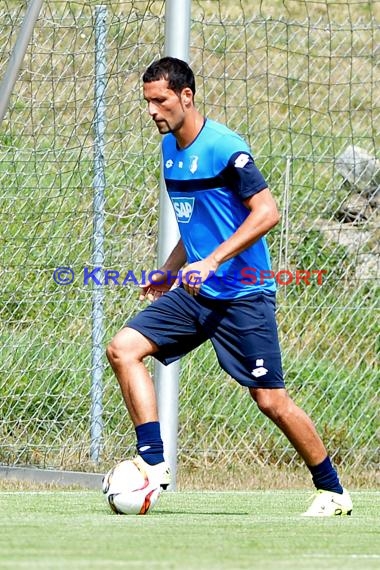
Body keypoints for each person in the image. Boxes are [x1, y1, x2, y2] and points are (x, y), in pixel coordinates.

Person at [106, 56, 352, 516]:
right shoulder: (169, 151)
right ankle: (153, 461)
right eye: (147, 102)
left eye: (160, 100)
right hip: (197, 293)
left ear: (186, 96)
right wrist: (171, 267)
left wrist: (212, 261)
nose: (153, 110)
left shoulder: (225, 147)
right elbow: (198, 221)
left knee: (271, 401)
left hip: (243, 294)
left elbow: (267, 212)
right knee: (123, 348)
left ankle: (334, 491)